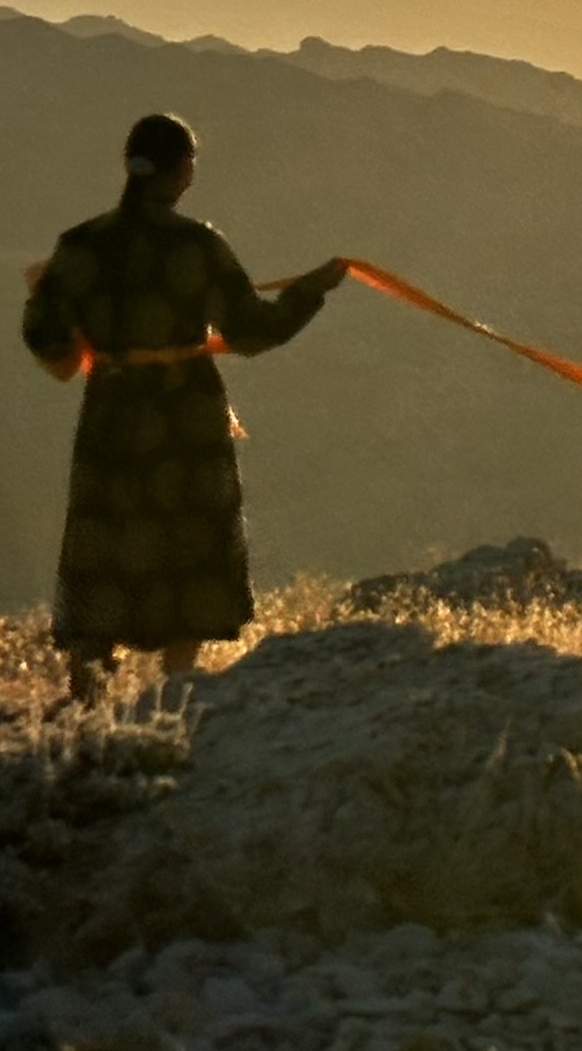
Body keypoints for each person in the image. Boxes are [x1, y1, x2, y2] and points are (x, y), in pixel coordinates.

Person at [23, 113, 348, 698]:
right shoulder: (195, 246)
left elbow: (46, 338)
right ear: (180, 172)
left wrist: (70, 313)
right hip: (184, 416)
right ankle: (179, 688)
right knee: (190, 537)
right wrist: (310, 290)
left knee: (108, 535)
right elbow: (251, 330)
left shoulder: (79, 246)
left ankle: (88, 688)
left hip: (110, 414)